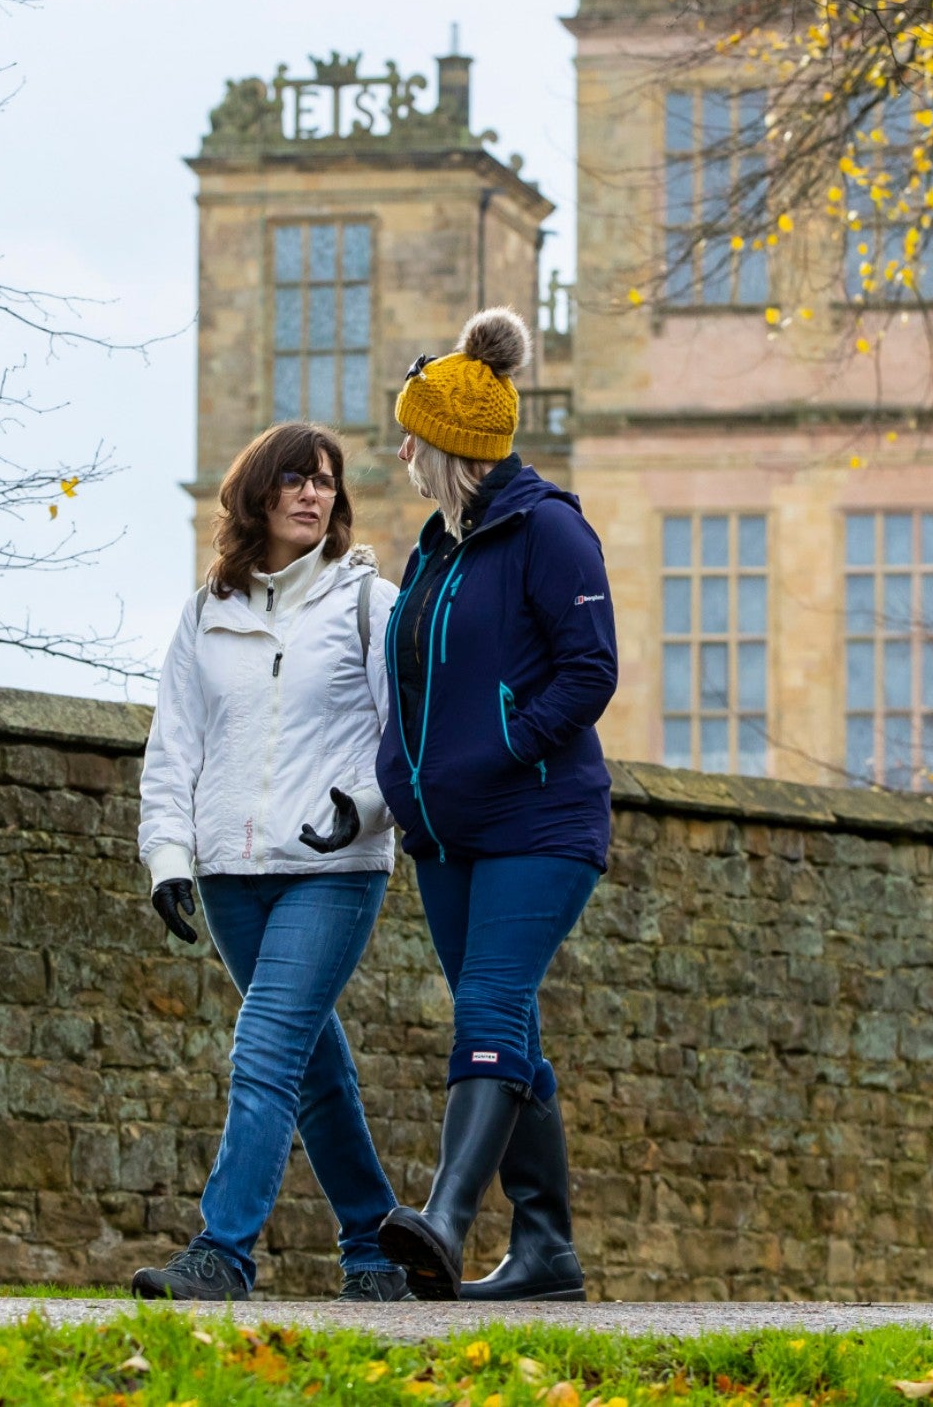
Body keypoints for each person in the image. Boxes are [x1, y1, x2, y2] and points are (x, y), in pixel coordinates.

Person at [131, 421, 411, 1303]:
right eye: (295, 478)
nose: (313, 493)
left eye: (326, 481)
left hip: (335, 869)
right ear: (258, 493)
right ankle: (376, 1250)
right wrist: (168, 857)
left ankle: (223, 1253)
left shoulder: (375, 604)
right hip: (230, 878)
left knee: (263, 1047)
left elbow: (413, 741)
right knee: (313, 1067)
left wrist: (362, 810)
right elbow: (174, 747)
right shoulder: (207, 611)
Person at [374, 308, 618, 1302]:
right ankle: (548, 1250)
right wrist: (404, 775)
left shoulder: (548, 530)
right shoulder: (441, 546)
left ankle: (445, 1218)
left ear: (452, 449)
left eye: (412, 436)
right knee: (508, 1027)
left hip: (543, 822)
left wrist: (508, 748)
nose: (400, 450)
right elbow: (418, 682)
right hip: (450, 835)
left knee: (487, 1004)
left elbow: (591, 670)